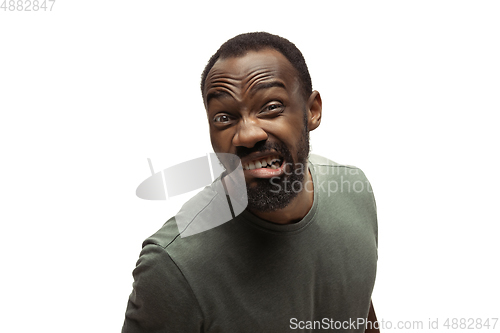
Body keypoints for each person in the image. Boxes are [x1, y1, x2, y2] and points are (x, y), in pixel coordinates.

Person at [122, 32, 379, 333]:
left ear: (312, 111)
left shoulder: (354, 191)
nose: (247, 135)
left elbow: (356, 306)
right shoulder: (172, 265)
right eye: (224, 118)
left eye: (271, 107)